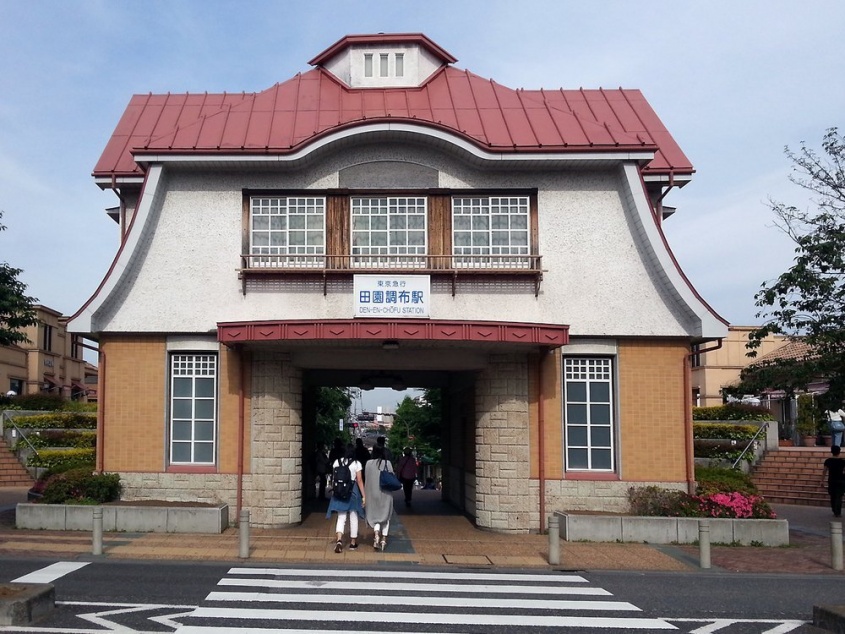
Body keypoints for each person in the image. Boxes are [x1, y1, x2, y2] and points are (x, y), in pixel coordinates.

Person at [325, 444, 366, 553]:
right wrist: (364, 495)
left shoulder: (337, 462)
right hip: (352, 492)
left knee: (341, 517)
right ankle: (353, 543)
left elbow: (334, 478)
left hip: (339, 492)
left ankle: (339, 540)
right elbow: (359, 480)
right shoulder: (357, 464)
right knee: (353, 516)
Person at [364, 445, 395, 551]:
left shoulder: (368, 463)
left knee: (375, 516)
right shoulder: (388, 463)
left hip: (372, 493)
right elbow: (392, 477)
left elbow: (367, 478)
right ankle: (384, 539)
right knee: (386, 516)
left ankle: (376, 535)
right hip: (385, 493)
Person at [822, 445, 845, 518]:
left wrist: (822, 480)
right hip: (841, 480)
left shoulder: (828, 461)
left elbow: (824, 471)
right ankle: (838, 511)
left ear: (831, 452)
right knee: (839, 496)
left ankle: (834, 509)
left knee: (833, 495)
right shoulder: (842, 461)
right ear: (839, 452)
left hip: (832, 480)